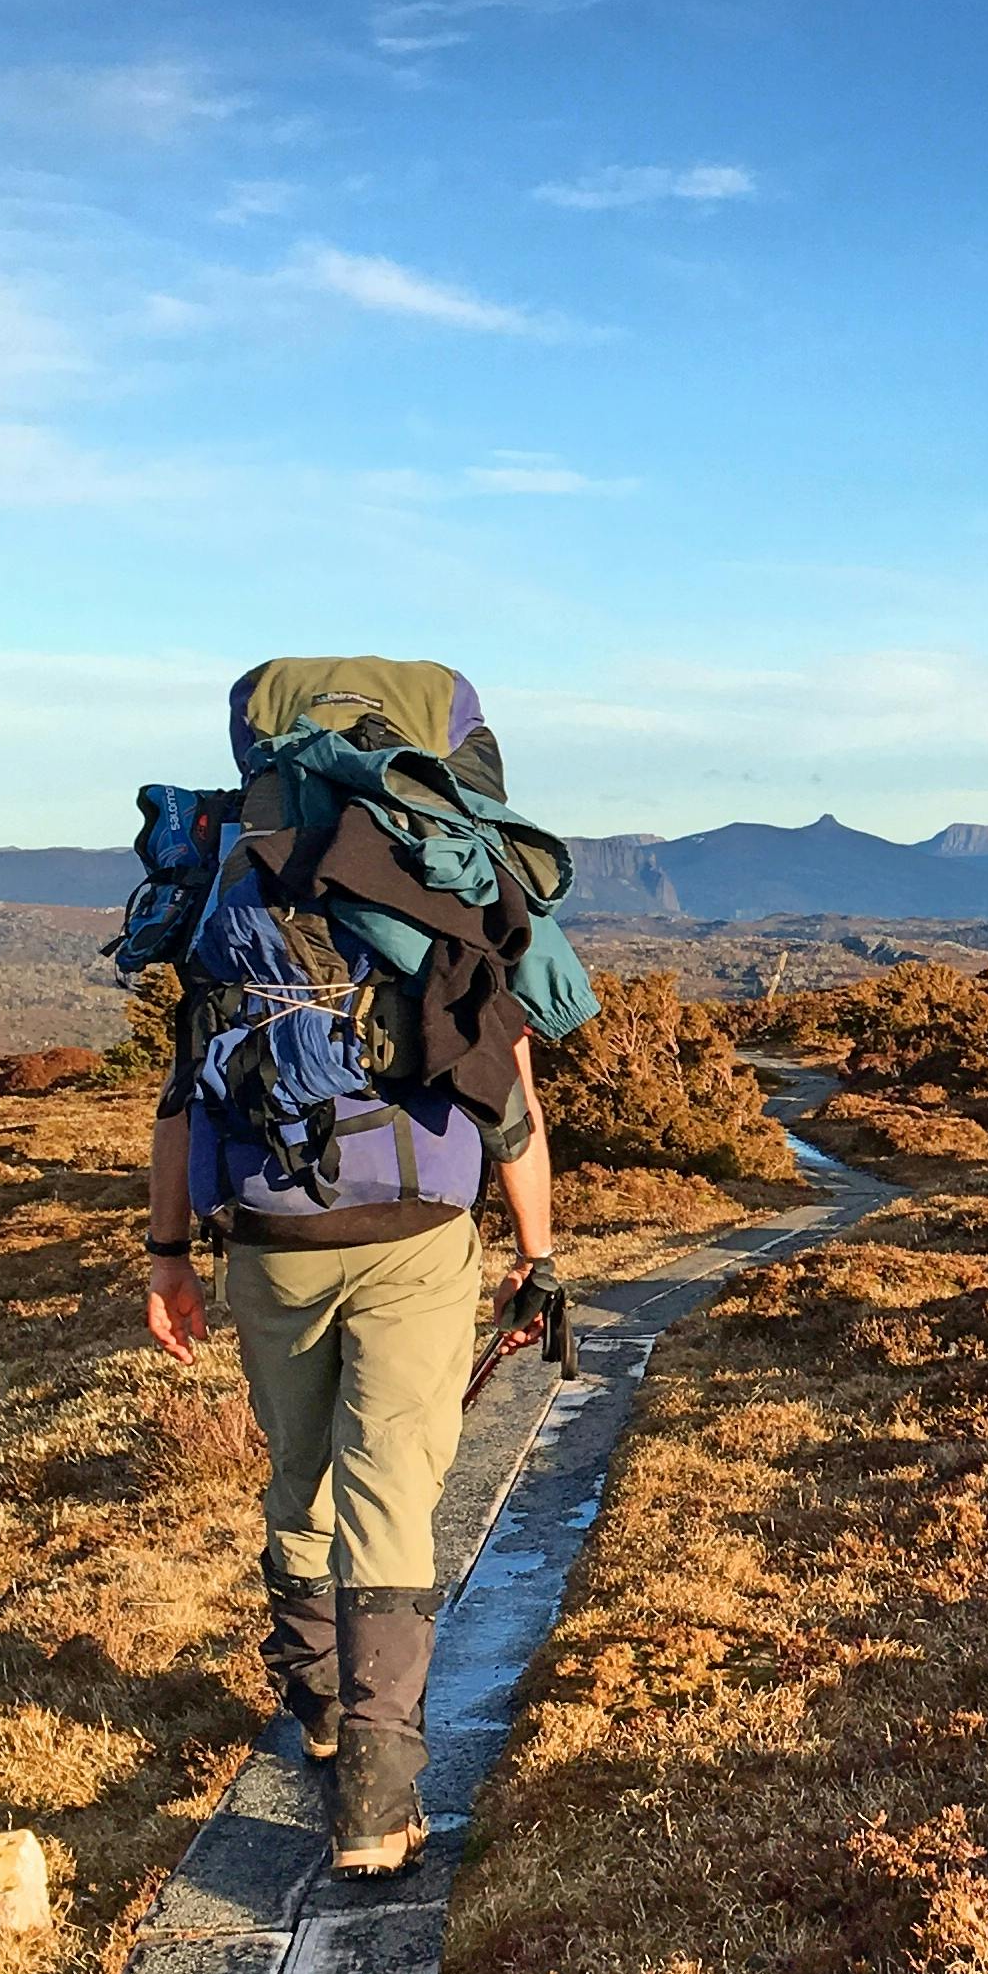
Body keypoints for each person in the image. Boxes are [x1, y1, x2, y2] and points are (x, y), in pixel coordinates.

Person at [141, 663, 565, 1880]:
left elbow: (184, 1094)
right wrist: (539, 1258)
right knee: (391, 1488)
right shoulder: (436, 879)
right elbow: (510, 1101)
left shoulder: (234, 878)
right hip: (420, 1235)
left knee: (300, 1469)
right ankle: (376, 1797)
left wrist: (168, 1255)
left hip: (270, 1239)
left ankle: (320, 1707)